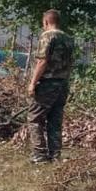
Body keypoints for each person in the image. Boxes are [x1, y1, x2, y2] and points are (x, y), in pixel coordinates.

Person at [26, 9, 75, 164]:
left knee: (35, 118)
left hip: (48, 83)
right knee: (55, 120)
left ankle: (39, 155)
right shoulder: (68, 38)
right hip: (63, 84)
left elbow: (42, 61)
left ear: (46, 22)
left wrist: (32, 83)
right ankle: (55, 155)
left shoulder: (47, 36)